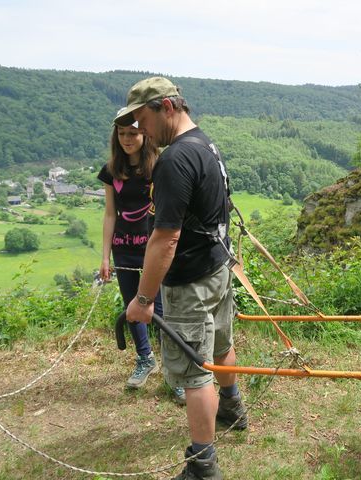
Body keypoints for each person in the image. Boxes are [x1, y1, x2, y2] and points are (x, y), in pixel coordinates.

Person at [121, 77, 246, 480]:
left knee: (195, 374)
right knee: (222, 345)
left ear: (167, 107)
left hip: (190, 279)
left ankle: (203, 465)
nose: (141, 131)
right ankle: (232, 406)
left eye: (143, 120)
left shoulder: (175, 159)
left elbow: (165, 237)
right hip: (217, 268)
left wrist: (143, 300)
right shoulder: (206, 145)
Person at [98, 115, 186, 405]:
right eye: (122, 133)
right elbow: (111, 213)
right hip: (123, 248)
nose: (127, 139)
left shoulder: (158, 167)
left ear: (144, 136)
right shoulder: (111, 171)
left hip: (153, 247)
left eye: (133, 133)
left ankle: (174, 371)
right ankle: (145, 358)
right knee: (132, 307)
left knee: (159, 309)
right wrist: (105, 256)